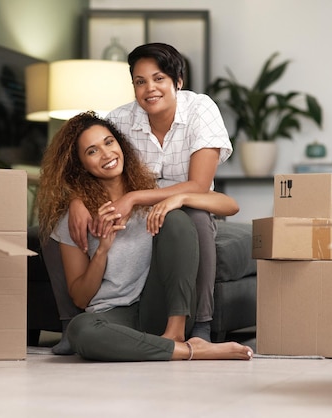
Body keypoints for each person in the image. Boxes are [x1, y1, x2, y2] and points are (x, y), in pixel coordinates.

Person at [37, 111, 252, 362]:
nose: (107, 154)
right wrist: (103, 249)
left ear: (120, 144)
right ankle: (190, 351)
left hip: (161, 309)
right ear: (80, 165)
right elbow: (81, 297)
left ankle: (175, 334)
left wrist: (179, 197)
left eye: (109, 142)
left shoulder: (151, 191)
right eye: (92, 151)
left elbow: (230, 205)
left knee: (177, 218)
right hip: (114, 314)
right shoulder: (75, 219)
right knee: (80, 330)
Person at [65, 43, 232, 346]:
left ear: (177, 82)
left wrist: (133, 198)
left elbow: (198, 184)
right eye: (140, 82)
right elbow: (91, 161)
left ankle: (202, 327)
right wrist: (76, 199)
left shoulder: (200, 109)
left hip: (191, 202)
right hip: (144, 215)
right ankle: (70, 324)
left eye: (158, 79)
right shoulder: (120, 120)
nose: (149, 89)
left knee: (190, 216)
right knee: (64, 223)